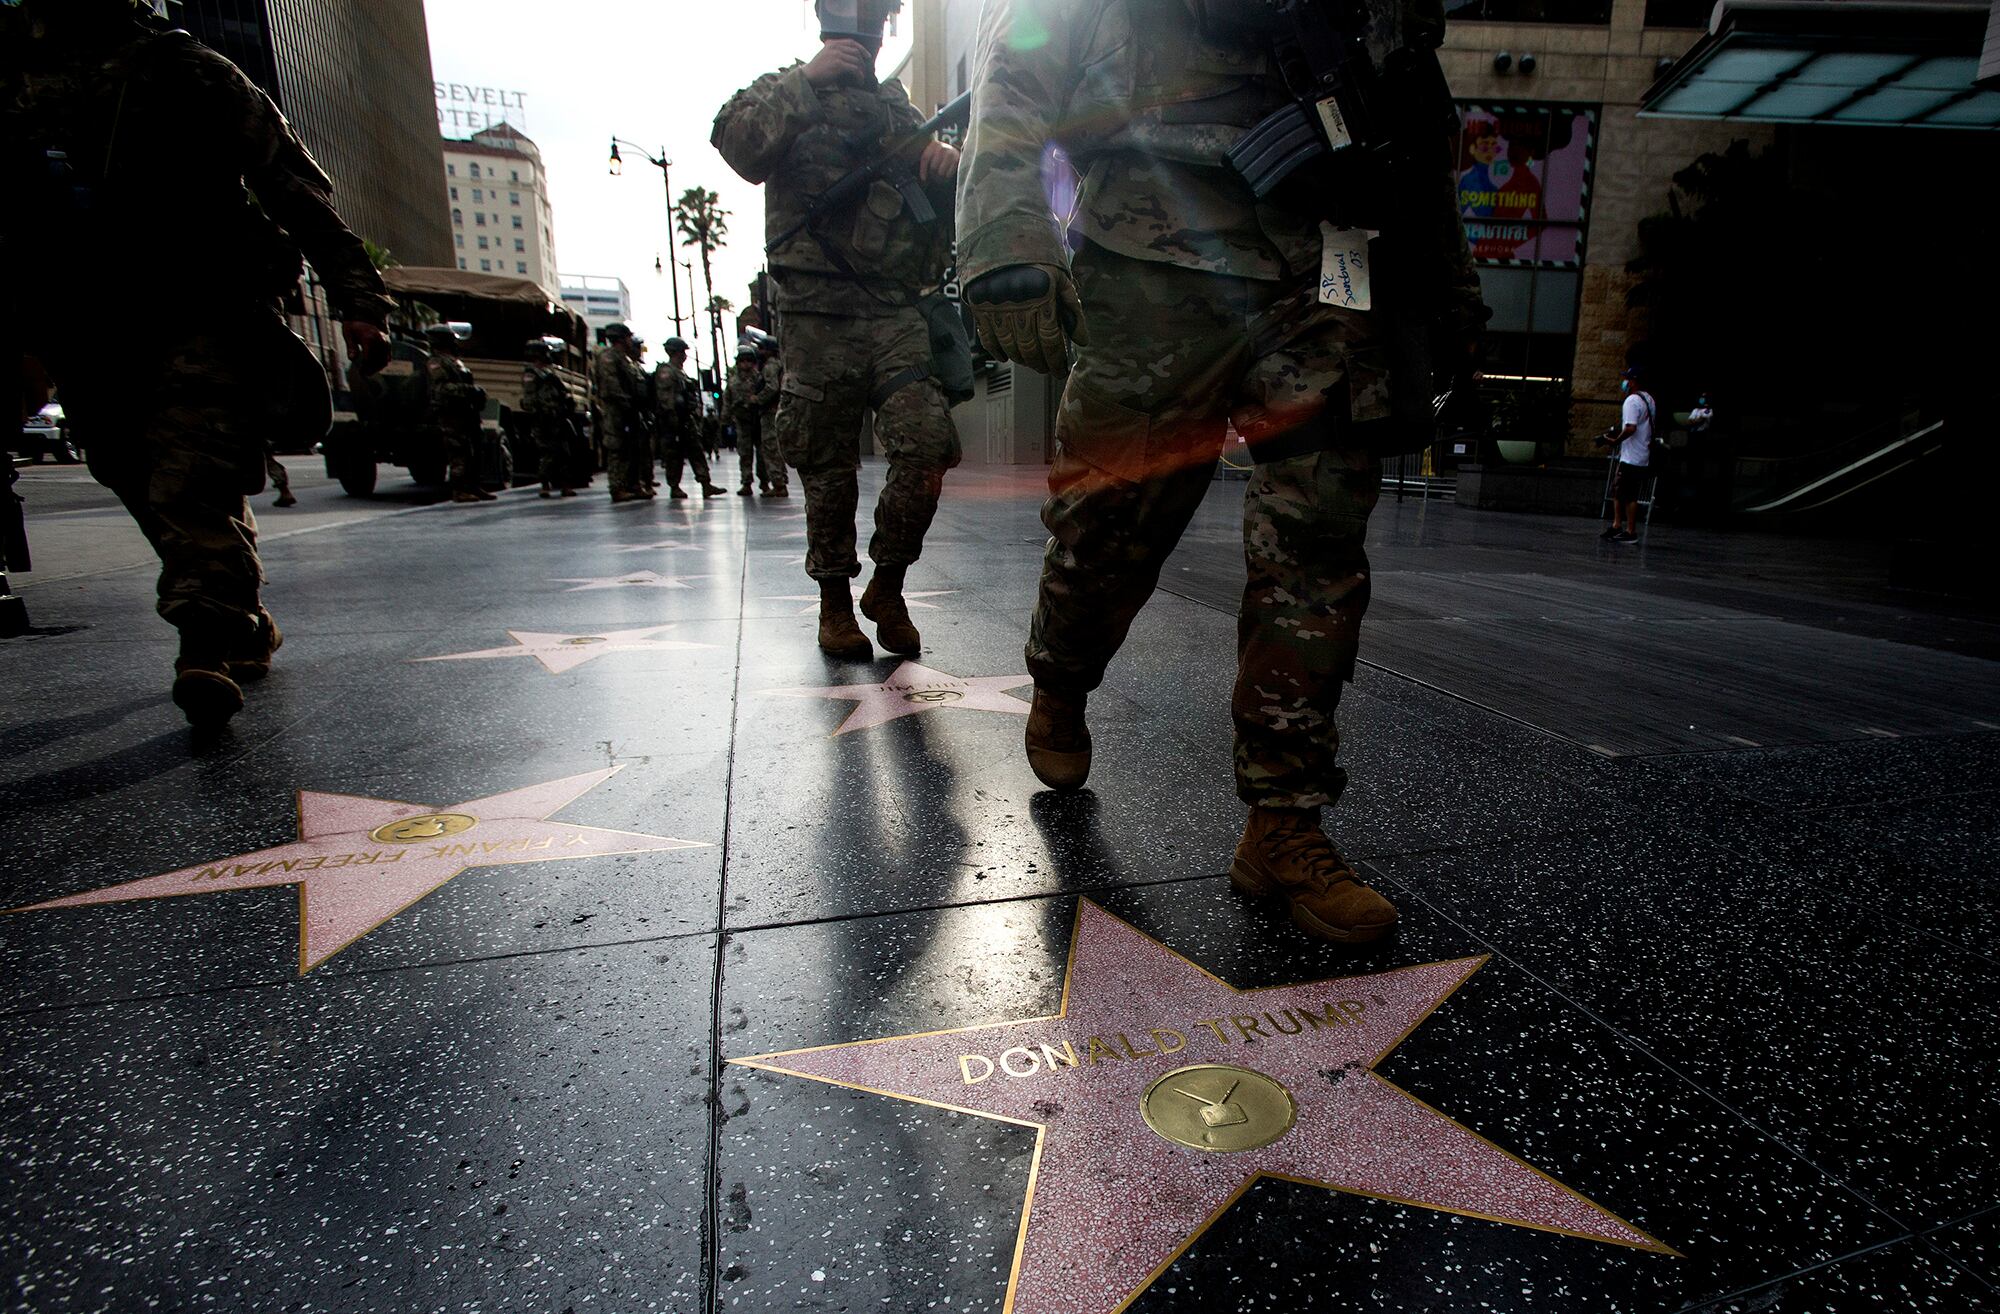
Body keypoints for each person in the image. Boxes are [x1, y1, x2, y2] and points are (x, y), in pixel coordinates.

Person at [958, 0, 1487, 942]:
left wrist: (1448, 294)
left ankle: (1284, 827)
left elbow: (1412, 118)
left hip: (1328, 268)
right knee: (1112, 525)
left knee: (1316, 546)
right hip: (1153, 254)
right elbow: (1019, 65)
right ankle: (1063, 674)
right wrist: (1002, 231)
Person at [3, 0, 391, 729]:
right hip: (79, 323)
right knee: (133, 472)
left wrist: (358, 294)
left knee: (190, 482)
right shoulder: (16, 82)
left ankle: (204, 640)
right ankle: (234, 612)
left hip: (198, 311)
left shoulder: (186, 71)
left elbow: (291, 187)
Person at [714, 0, 963, 659]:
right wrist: (808, 80)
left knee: (928, 441)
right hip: (816, 312)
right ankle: (834, 604)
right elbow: (738, 144)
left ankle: (887, 583)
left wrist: (940, 166)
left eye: (874, 17)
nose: (862, 31)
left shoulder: (898, 113)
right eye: (849, 14)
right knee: (828, 465)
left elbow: (930, 205)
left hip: (889, 307)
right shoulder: (786, 89)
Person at [422, 324, 493, 505]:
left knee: (474, 450)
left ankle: (473, 485)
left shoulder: (453, 360)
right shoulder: (436, 362)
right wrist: (470, 390)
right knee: (458, 451)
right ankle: (459, 490)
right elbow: (442, 389)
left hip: (466, 412)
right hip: (450, 413)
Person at [654, 337, 727, 498]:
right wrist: (673, 421)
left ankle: (706, 483)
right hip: (674, 421)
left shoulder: (680, 372)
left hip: (686, 419)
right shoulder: (667, 371)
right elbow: (667, 400)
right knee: (675, 455)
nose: (684, 355)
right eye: (682, 352)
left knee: (696, 451)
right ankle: (674, 486)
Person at [592, 322, 650, 503]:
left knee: (633, 448)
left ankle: (633, 484)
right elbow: (611, 385)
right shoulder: (608, 357)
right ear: (620, 338)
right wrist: (626, 402)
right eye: (627, 337)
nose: (630, 341)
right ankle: (617, 487)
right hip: (616, 409)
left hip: (630, 409)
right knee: (617, 448)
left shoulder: (625, 359)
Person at [1599, 365, 1658, 543]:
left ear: (1632, 382)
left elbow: (1631, 427)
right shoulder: (1648, 399)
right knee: (1619, 490)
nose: (1624, 382)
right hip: (1640, 453)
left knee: (1628, 494)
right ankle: (1617, 525)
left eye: (1627, 379)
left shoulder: (1632, 401)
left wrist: (1616, 440)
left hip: (1632, 455)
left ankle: (1630, 530)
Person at [519, 337, 576, 499]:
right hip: (543, 419)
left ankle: (565, 485)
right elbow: (529, 400)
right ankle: (545, 485)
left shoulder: (549, 373)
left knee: (564, 452)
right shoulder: (531, 374)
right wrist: (540, 413)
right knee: (548, 454)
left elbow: (560, 393)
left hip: (557, 417)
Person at [722, 344, 768, 496]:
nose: (746, 364)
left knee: (763, 454)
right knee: (745, 454)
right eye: (743, 361)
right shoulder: (733, 381)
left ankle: (765, 481)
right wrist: (725, 419)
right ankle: (746, 482)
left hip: (759, 421)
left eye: (749, 361)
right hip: (742, 422)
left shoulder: (760, 379)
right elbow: (727, 401)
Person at [752, 332, 789, 498]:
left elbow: (772, 387)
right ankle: (779, 482)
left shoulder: (770, 366)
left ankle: (779, 484)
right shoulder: (778, 365)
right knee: (773, 448)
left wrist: (757, 399)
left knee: (771, 448)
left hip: (771, 412)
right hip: (775, 411)